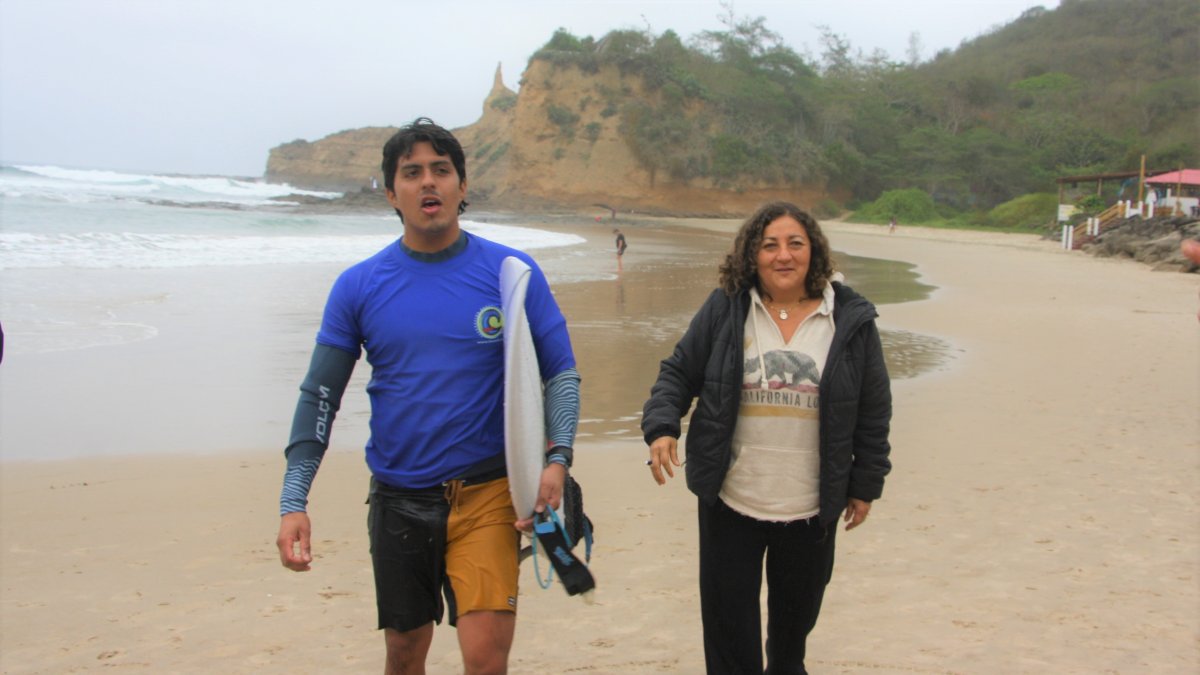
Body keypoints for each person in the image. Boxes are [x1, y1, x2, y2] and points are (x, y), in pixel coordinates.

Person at [275, 117, 581, 674]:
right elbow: (320, 395)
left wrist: (557, 461)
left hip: (489, 494)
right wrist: (293, 500)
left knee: (486, 659)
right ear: (391, 193)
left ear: (463, 186)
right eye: (411, 173)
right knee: (403, 650)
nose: (428, 183)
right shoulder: (359, 286)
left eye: (441, 171)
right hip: (398, 499)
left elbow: (560, 372)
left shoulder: (511, 273)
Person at [642, 201, 892, 674]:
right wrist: (662, 427)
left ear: (813, 252)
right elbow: (678, 372)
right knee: (730, 641)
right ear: (750, 255)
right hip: (731, 501)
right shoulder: (727, 309)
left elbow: (874, 410)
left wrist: (865, 484)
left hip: (810, 509)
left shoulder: (850, 320)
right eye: (769, 244)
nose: (783, 255)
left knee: (789, 644)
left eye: (795, 243)